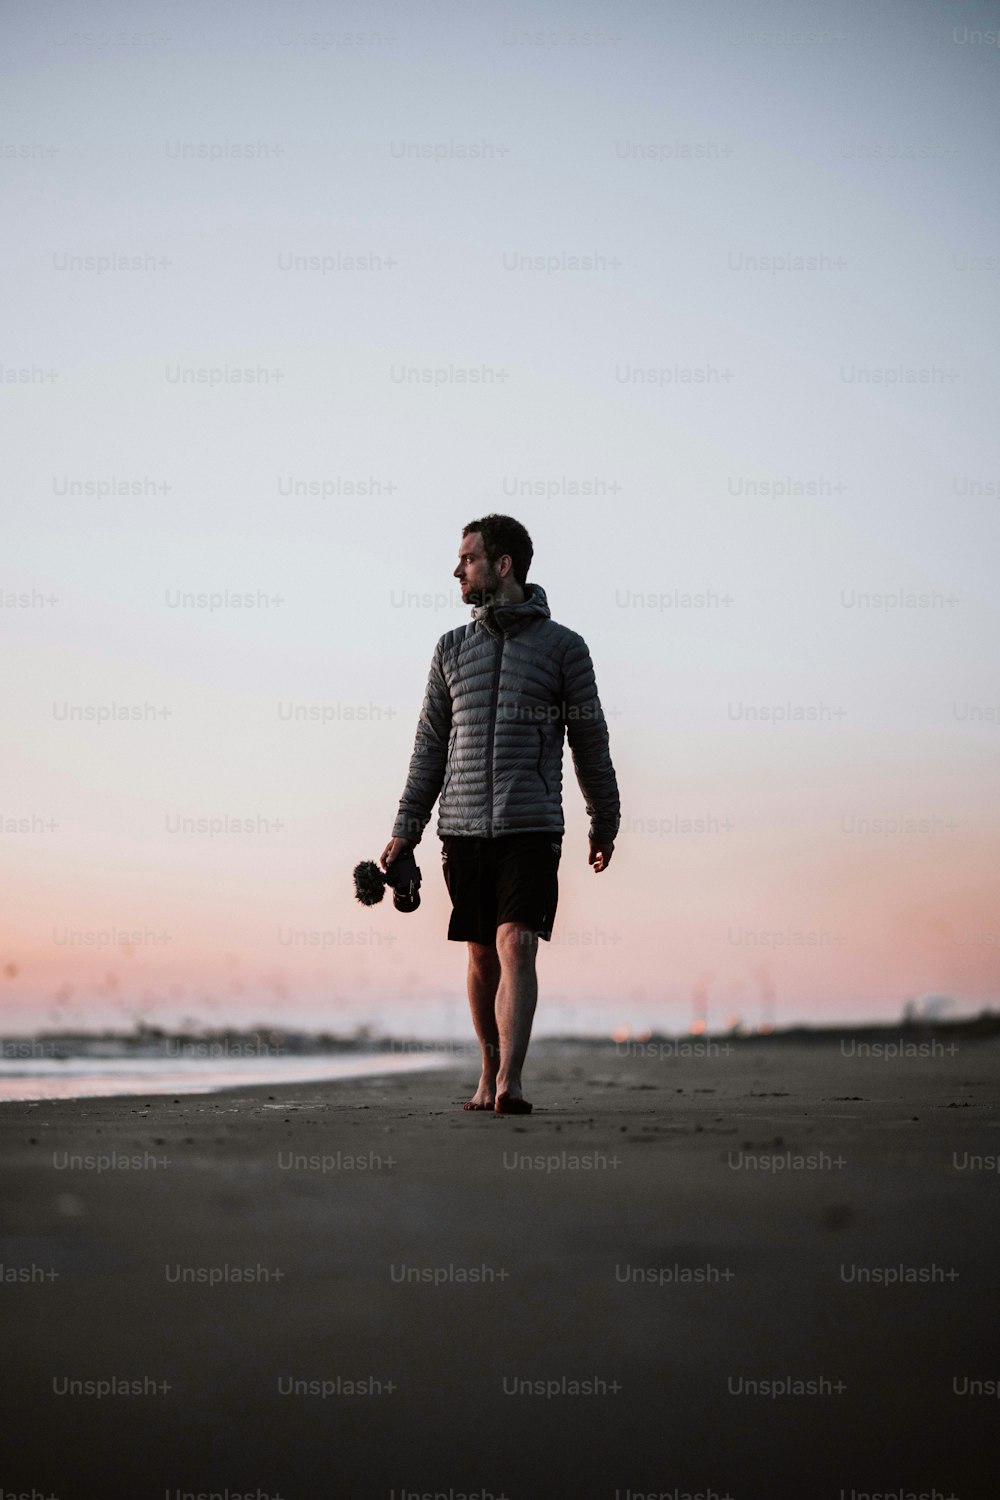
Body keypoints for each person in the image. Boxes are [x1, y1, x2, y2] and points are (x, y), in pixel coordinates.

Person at [381, 515, 620, 1114]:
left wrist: (604, 818)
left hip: (531, 824)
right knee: (481, 953)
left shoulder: (565, 648)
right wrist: (406, 830)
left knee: (517, 943)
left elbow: (589, 739)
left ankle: (510, 1081)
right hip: (462, 827)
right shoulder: (450, 650)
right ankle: (486, 1071)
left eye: (467, 558)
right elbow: (430, 746)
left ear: (502, 564)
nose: (457, 570)